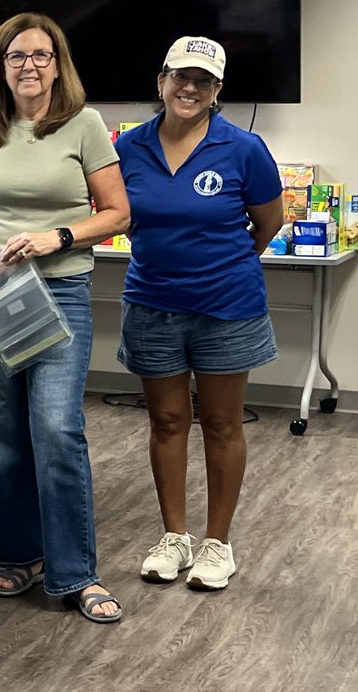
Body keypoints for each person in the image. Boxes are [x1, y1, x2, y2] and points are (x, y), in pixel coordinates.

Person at [0, 13, 130, 623]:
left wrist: (57, 235)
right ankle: (21, 554)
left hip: (59, 292)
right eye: (15, 57)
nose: (28, 66)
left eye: (40, 55)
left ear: (58, 63)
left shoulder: (83, 125)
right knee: (2, 435)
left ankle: (76, 573)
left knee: (57, 430)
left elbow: (117, 213)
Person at [116, 35, 283, 591]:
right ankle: (174, 537)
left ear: (217, 91)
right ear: (160, 81)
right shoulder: (129, 147)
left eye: (203, 81)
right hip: (151, 305)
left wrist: (225, 265)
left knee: (221, 423)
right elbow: (116, 212)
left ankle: (217, 544)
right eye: (180, 77)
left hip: (226, 309)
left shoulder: (244, 148)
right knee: (166, 422)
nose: (189, 88)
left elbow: (268, 222)